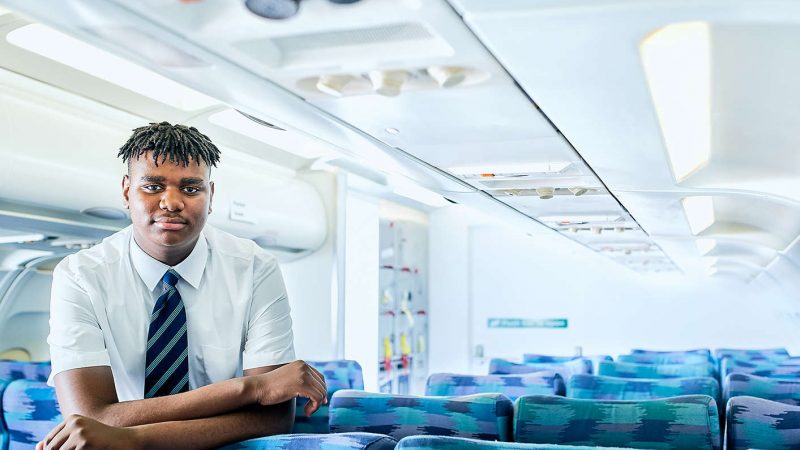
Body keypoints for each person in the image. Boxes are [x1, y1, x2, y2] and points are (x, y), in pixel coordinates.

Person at [38, 122, 327, 450]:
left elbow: (272, 419)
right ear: (125, 191)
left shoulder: (256, 269)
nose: (171, 202)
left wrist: (128, 436)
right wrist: (251, 389)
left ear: (210, 195)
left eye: (190, 189)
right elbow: (90, 419)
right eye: (152, 186)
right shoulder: (80, 276)